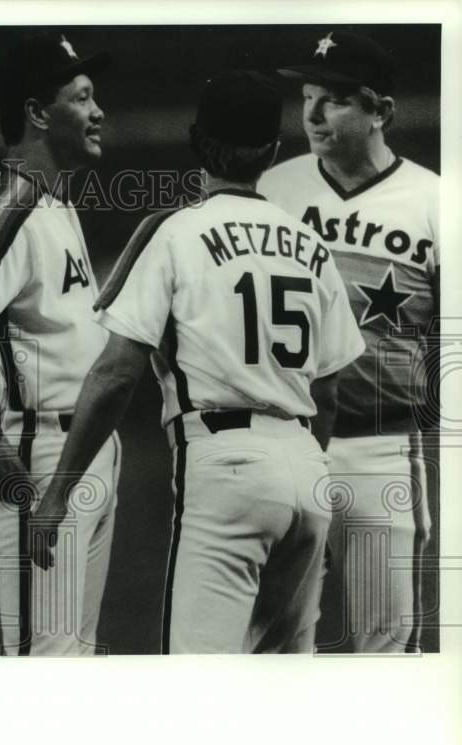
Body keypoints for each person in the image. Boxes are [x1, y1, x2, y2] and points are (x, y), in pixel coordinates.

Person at [33, 71, 365, 654]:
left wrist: (59, 491)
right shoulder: (310, 245)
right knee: (288, 695)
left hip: (225, 463)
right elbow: (331, 392)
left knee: (198, 693)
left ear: (195, 140)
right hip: (308, 469)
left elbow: (115, 373)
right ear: (274, 152)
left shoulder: (173, 231)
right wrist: (308, 488)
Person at [0, 32, 116, 655]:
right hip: (35, 456)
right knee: (48, 663)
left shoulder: (53, 204)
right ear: (39, 113)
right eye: (82, 97)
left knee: (72, 655)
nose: (98, 112)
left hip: (80, 446)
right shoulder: (10, 201)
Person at [259, 31, 440, 653]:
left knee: (383, 646)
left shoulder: (437, 202)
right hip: (280, 440)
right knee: (277, 646)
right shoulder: (271, 190)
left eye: (334, 99)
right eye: (307, 97)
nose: (311, 115)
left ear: (380, 111)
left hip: (379, 443)